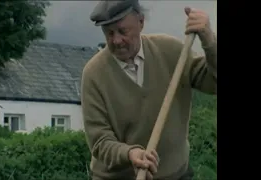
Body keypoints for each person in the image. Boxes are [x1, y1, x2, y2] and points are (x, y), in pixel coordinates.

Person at [81, 0, 217, 179]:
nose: (116, 40)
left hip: (174, 175)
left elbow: (213, 82)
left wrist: (209, 41)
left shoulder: (171, 51)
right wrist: (130, 154)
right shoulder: (93, 74)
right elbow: (99, 142)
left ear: (141, 22)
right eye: (109, 33)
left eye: (123, 31)